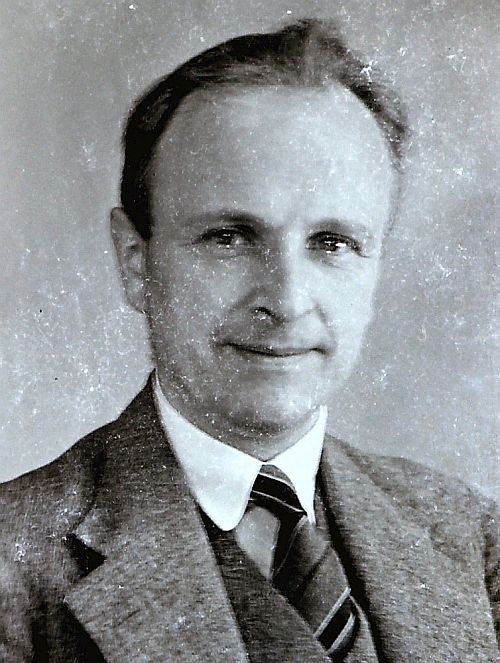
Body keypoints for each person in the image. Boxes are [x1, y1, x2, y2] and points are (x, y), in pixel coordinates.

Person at [0, 18, 498, 662]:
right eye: (229, 237)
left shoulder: (470, 537)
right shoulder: (14, 561)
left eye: (333, 243)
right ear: (136, 262)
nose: (286, 301)